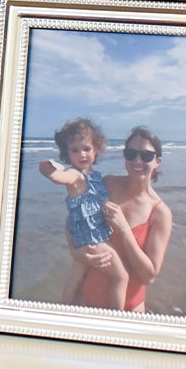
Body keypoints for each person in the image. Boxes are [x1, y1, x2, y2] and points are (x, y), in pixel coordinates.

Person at [74, 126, 173, 312]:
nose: (137, 160)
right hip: (85, 303)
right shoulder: (108, 184)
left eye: (146, 156)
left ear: (158, 161)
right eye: (131, 153)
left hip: (127, 311)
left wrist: (125, 230)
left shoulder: (160, 213)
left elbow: (148, 276)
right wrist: (75, 252)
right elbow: (74, 221)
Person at [40, 118, 127, 308]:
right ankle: (118, 320)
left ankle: (64, 311)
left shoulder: (94, 176)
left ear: (97, 149)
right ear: (67, 154)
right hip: (93, 241)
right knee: (121, 278)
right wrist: (50, 172)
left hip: (82, 241)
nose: (82, 154)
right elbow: (62, 177)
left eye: (86, 148)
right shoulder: (75, 175)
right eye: (75, 150)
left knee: (75, 279)